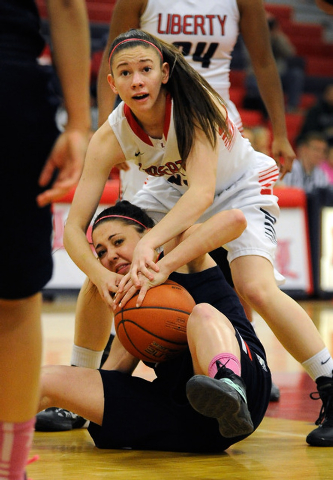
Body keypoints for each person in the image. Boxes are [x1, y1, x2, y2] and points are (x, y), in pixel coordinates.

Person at [61, 29, 333, 447]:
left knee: (253, 286)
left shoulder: (195, 104)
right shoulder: (109, 136)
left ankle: (330, 383)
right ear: (112, 83)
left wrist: (153, 247)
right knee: (107, 269)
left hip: (236, 185)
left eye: (146, 70)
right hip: (173, 188)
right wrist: (99, 274)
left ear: (164, 73)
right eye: (126, 73)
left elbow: (203, 195)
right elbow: (73, 227)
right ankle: (79, 383)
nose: (137, 80)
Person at [38, 200, 272, 452]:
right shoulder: (131, 305)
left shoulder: (177, 253)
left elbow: (235, 221)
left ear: (148, 236)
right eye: (102, 252)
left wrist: (164, 266)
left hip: (250, 388)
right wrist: (88, 401)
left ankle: (229, 385)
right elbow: (113, 372)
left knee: (202, 313)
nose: (111, 255)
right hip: (187, 418)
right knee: (46, 378)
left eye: (118, 242)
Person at [0, 0, 91, 477]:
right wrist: (78, 122)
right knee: (14, 302)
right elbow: (66, 4)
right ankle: (9, 470)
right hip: (10, 82)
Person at [244, 13, 305, 114]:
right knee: (254, 83)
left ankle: (292, 107)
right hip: (257, 74)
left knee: (296, 74)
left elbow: (290, 52)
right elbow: (252, 57)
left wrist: (277, 36)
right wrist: (261, 37)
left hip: (278, 73)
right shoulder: (252, 35)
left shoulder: (277, 36)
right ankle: (266, 110)